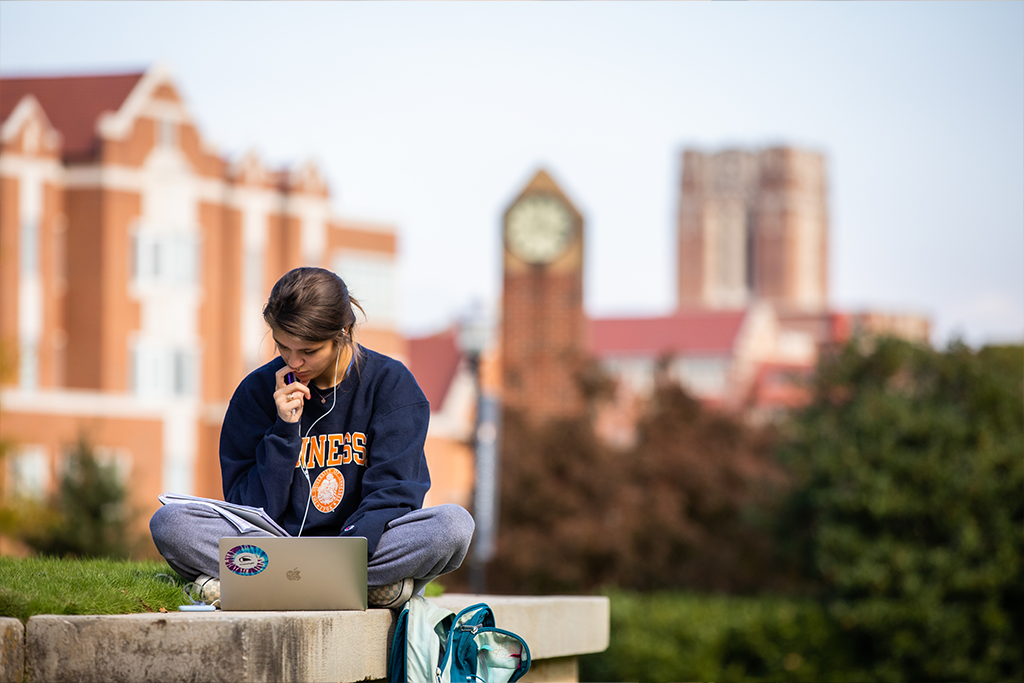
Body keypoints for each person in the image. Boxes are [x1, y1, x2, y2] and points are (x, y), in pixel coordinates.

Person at [150, 267, 475, 608]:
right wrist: (285, 430)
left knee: (451, 526)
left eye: (309, 350)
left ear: (344, 332)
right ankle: (367, 591)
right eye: (282, 346)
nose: (293, 361)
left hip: (361, 547)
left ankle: (262, 588)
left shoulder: (391, 385)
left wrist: (345, 552)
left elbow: (393, 496)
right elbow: (248, 507)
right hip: (274, 544)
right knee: (172, 523)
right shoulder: (255, 393)